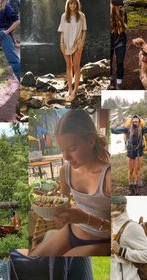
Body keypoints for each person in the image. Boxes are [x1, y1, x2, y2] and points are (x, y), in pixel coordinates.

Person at [30, 109, 111, 257]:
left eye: (72, 149)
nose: (66, 156)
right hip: (71, 231)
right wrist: (51, 210)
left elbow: (122, 231)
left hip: (101, 242)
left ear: (91, 141)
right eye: (62, 150)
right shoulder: (65, 171)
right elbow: (63, 204)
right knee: (30, 262)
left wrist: (86, 219)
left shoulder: (108, 177)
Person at [111, 115, 147, 195]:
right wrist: (112, 129)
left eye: (136, 121)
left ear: (139, 122)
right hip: (130, 153)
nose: (135, 123)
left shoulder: (142, 129)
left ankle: (137, 186)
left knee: (137, 170)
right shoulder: (127, 129)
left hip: (139, 152)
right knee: (131, 170)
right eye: (134, 121)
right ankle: (130, 186)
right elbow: (116, 131)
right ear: (131, 122)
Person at [58, 0, 87, 101]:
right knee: (68, 65)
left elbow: (84, 30)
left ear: (77, 4)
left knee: (76, 66)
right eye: (71, 3)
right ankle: (69, 89)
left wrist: (81, 43)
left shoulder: (81, 16)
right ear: (68, 4)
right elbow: (61, 31)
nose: (73, 5)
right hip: (66, 43)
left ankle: (75, 90)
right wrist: (61, 43)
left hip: (77, 43)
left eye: (75, 3)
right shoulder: (64, 16)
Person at [110, 0, 127, 90]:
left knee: (120, 62)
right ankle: (112, 80)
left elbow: (124, 27)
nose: (120, 7)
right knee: (110, 62)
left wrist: (120, 20)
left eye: (120, 5)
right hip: (110, 41)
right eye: (118, 5)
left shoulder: (124, 13)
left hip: (120, 40)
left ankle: (119, 83)